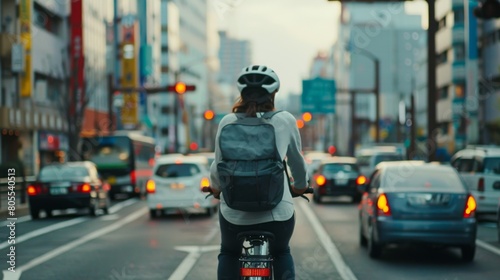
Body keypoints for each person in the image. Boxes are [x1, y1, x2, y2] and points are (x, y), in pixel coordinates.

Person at [209, 65, 309, 279]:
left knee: (229, 252)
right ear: (273, 94)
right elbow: (296, 163)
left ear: (241, 93)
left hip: (235, 215)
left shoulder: (227, 122)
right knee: (281, 252)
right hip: (276, 214)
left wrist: (216, 188)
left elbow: (218, 164)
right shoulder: (285, 120)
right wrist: (300, 186)